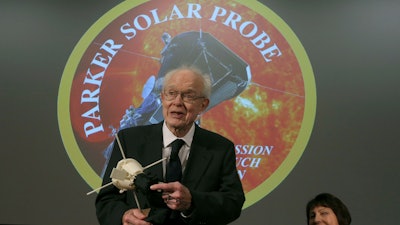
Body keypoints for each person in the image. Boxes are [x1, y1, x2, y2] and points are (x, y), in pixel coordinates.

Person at [95, 65, 245, 225]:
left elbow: (233, 203)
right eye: (171, 94)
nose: (177, 102)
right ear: (162, 98)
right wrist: (123, 216)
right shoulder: (129, 140)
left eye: (189, 95)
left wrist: (192, 201)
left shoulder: (220, 148)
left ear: (203, 104)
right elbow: (108, 195)